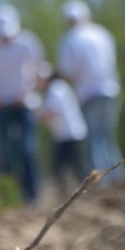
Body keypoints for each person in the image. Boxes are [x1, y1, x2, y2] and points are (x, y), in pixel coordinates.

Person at [0, 4, 46, 204]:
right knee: (4, 152)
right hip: (0, 107)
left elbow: (40, 73)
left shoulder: (28, 43)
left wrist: (29, 92)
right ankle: (7, 198)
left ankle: (32, 197)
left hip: (25, 104)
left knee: (28, 149)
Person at [57, 0, 125, 182]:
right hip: (111, 91)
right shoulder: (102, 33)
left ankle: (101, 182)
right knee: (108, 138)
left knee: (94, 140)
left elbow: (67, 73)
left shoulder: (70, 39)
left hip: (89, 94)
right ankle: (118, 179)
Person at [38, 67, 89, 196]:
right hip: (70, 133)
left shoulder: (55, 89)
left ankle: (74, 192)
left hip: (67, 134)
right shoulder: (61, 87)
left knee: (61, 166)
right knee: (73, 165)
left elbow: (53, 112)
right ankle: (79, 191)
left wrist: (38, 117)